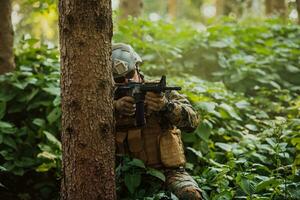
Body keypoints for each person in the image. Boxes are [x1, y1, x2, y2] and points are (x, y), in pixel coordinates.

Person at [112, 43, 202, 200]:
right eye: (119, 79)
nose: (126, 82)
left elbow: (193, 122)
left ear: (138, 68)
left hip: (169, 172)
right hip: (127, 173)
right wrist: (113, 108)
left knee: (191, 195)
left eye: (130, 74)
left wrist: (166, 106)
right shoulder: (106, 96)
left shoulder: (157, 90)